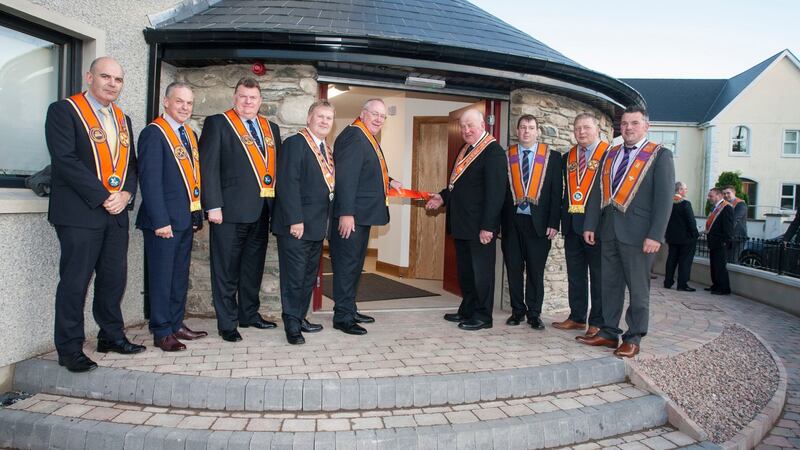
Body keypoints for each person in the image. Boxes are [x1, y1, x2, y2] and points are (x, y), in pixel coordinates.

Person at [45, 56, 144, 372]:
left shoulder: (122, 119)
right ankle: (69, 348)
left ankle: (111, 336)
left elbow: (131, 164)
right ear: (89, 77)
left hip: (115, 212)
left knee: (114, 279)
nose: (112, 84)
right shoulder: (65, 111)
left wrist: (127, 193)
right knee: (75, 282)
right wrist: (104, 196)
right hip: (79, 213)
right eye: (106, 76)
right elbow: (65, 160)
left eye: (118, 79)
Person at [577, 106, 674, 358]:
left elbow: (664, 199)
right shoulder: (611, 154)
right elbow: (597, 192)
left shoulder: (660, 155)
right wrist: (590, 224)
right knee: (609, 285)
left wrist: (656, 235)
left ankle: (634, 336)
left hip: (640, 236)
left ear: (646, 126)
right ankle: (609, 333)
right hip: (608, 231)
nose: (628, 128)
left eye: (634, 123)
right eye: (625, 124)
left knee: (638, 289)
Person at [199, 77, 281, 342]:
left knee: (252, 268)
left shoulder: (271, 129)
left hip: (261, 211)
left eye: (253, 97)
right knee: (225, 269)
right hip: (228, 213)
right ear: (235, 97)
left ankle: (249, 314)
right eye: (243, 96)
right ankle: (227, 323)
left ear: (260, 101)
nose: (248, 102)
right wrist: (212, 205)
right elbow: (208, 167)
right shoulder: (218, 123)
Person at [136, 81, 208, 352]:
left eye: (189, 103)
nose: (184, 107)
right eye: (179, 101)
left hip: (184, 219)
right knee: (162, 278)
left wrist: (196, 211)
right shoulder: (154, 133)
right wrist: (160, 221)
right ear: (166, 102)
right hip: (163, 223)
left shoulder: (188, 134)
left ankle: (176, 324)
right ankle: (161, 330)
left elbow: (191, 179)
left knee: (178, 277)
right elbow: (150, 182)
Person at [425, 109, 507, 330]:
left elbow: (496, 194)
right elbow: (457, 185)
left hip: (480, 227)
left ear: (483, 124)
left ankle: (483, 316)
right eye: (462, 127)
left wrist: (488, 227)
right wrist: (442, 197)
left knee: (481, 273)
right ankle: (468, 309)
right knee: (466, 272)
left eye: (470, 125)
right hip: (462, 224)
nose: (466, 130)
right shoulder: (465, 149)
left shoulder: (493, 152)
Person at [329, 98, 402, 335]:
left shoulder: (366, 137)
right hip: (352, 216)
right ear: (363, 113)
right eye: (375, 114)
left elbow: (366, 171)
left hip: (361, 216)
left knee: (355, 265)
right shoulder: (354, 136)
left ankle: (349, 308)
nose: (379, 119)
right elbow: (347, 178)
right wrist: (346, 213)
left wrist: (390, 182)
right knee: (346, 265)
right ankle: (342, 317)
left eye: (383, 116)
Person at [272, 101, 334, 344]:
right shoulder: (295, 143)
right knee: (294, 277)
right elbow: (288, 184)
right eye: (320, 116)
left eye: (329, 118)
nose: (324, 121)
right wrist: (295, 220)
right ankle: (291, 325)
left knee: (308, 277)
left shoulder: (325, 149)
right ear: (309, 118)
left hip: (316, 227)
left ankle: (299, 316)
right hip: (296, 227)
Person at [501, 115, 562, 330]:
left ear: (538, 132)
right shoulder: (507, 156)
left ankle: (534, 314)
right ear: (517, 131)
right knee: (514, 269)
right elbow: (501, 193)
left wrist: (554, 222)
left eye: (531, 128)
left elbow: (557, 193)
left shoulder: (552, 158)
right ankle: (518, 311)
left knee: (536, 271)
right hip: (512, 222)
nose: (527, 131)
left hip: (540, 224)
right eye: (523, 127)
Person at [552, 113, 608, 337]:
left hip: (598, 227)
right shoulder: (569, 157)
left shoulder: (609, 154)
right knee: (575, 275)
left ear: (597, 129)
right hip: (573, 224)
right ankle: (577, 317)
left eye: (586, 127)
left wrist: (596, 224)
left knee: (598, 276)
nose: (581, 132)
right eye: (577, 128)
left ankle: (598, 321)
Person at [664, 182, 699, 292]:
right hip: (686, 238)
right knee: (685, 261)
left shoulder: (668, 203)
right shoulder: (685, 204)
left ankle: (668, 282)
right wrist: (695, 234)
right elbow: (691, 221)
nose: (686, 191)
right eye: (685, 189)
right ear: (679, 190)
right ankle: (682, 284)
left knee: (671, 260)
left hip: (672, 237)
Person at [704, 187, 733, 295]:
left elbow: (728, 227)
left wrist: (725, 240)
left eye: (711, 196)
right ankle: (716, 285)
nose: (709, 198)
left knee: (720, 266)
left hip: (721, 241)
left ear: (719, 196)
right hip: (714, 241)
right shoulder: (716, 207)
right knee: (714, 265)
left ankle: (723, 288)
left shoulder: (726, 208)